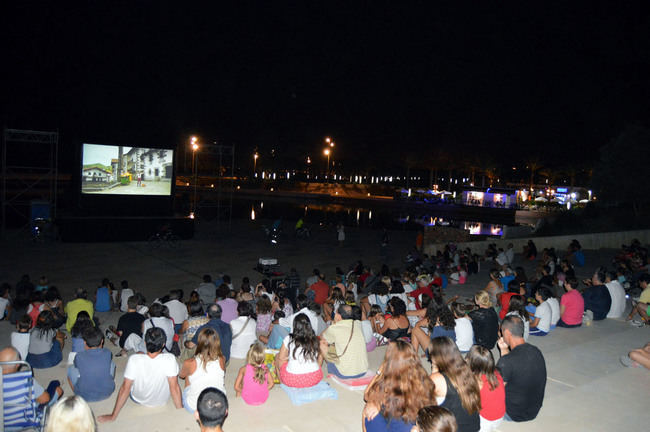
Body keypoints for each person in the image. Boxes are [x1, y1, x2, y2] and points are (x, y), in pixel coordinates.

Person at [98, 327, 182, 423]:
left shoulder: (134, 360)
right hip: (162, 400)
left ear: (145, 343)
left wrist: (113, 416)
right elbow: (174, 388)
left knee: (139, 355)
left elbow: (125, 388)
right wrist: (180, 412)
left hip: (138, 398)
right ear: (163, 345)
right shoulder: (170, 359)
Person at [362, 340, 436, 432]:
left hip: (398, 428)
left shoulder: (388, 385)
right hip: (416, 427)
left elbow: (367, 396)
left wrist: (379, 371)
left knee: (368, 408)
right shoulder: (424, 378)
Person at [496, 315, 546, 422]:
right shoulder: (536, 351)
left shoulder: (507, 362)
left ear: (507, 333)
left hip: (511, 413)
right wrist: (504, 349)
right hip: (533, 411)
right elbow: (512, 369)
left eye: (502, 331)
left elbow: (495, 391)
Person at [2, 346, 64, 431]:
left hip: (3, 424)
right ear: (18, 364)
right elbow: (45, 399)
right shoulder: (25, 380)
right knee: (57, 388)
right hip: (25, 419)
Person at [429, 337, 481, 432]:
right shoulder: (466, 368)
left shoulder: (437, 379)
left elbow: (426, 401)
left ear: (437, 357)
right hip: (474, 426)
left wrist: (434, 369)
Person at [179, 327, 226, 413]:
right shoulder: (222, 359)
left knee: (188, 375)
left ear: (199, 343)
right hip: (219, 406)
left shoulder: (190, 362)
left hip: (195, 407)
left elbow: (181, 375)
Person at [67, 326, 115, 402]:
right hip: (107, 392)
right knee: (111, 364)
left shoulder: (79, 356)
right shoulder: (107, 352)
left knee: (70, 369)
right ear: (102, 341)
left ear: (84, 343)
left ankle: (77, 393)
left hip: (84, 395)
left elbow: (76, 365)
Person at [275, 313, 323, 388]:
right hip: (315, 378)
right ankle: (315, 369)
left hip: (293, 380)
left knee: (277, 356)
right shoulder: (315, 339)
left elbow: (281, 358)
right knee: (320, 354)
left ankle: (283, 383)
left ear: (295, 326)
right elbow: (320, 356)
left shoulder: (289, 338)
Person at [321, 304, 369, 378]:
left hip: (344, 373)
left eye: (336, 313)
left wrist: (333, 323)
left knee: (322, 344)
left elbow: (322, 337)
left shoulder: (334, 328)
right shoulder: (358, 323)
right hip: (363, 370)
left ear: (339, 316)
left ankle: (330, 368)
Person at [467, 345, 505, 432]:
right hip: (500, 417)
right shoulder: (496, 374)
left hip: (486, 421)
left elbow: (471, 404)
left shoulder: (477, 384)